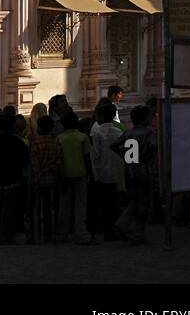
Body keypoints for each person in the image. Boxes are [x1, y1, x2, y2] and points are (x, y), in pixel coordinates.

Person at [111, 104, 158, 245]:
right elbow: (155, 148)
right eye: (150, 116)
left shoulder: (128, 133)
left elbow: (114, 146)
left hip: (130, 169)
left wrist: (126, 156)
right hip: (144, 170)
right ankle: (137, 233)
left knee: (134, 200)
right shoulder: (149, 133)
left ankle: (121, 224)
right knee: (144, 202)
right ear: (144, 119)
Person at [0, 112, 29, 244]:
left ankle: (1, 234)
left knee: (0, 207)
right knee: (13, 208)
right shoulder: (16, 141)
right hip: (14, 178)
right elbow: (25, 159)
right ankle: (9, 234)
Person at [89, 101, 123, 241]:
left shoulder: (97, 133)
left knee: (99, 203)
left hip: (101, 173)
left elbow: (95, 155)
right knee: (113, 203)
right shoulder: (119, 132)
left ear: (101, 117)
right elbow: (128, 154)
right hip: (117, 173)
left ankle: (99, 229)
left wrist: (94, 173)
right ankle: (111, 230)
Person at [27, 115, 63, 244]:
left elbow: (34, 163)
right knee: (49, 209)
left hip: (37, 180)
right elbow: (59, 161)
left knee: (34, 209)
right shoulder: (56, 142)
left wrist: (35, 177)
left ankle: (34, 236)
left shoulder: (36, 143)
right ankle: (48, 235)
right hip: (51, 180)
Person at [57, 111, 92, 244]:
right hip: (81, 174)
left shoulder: (59, 138)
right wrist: (90, 173)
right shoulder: (82, 137)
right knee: (80, 206)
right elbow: (87, 157)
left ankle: (63, 233)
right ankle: (81, 233)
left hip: (64, 175)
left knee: (65, 206)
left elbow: (59, 159)